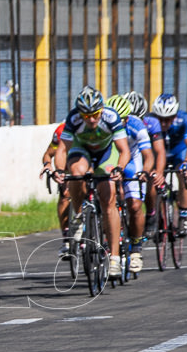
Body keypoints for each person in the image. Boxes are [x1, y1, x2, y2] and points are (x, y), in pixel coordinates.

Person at [52, 86, 130, 279]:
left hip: (105, 153)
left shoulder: (111, 117)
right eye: (87, 116)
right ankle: (77, 216)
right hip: (83, 150)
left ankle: (114, 258)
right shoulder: (74, 119)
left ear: (101, 110)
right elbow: (61, 151)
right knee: (76, 172)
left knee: (108, 197)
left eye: (95, 115)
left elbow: (124, 150)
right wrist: (60, 171)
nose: (92, 119)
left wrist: (119, 168)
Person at [105, 95, 152, 273]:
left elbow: (148, 155)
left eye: (122, 119)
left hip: (132, 160)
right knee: (106, 199)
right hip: (112, 159)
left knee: (134, 206)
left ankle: (136, 249)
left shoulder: (136, 126)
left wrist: (144, 172)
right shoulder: (104, 123)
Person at [148, 93, 187, 237]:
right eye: (160, 119)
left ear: (174, 116)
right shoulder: (149, 120)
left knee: (183, 175)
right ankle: (156, 214)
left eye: (167, 119)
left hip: (177, 152)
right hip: (158, 153)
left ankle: (183, 216)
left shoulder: (184, 118)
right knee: (153, 178)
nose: (163, 123)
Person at [125, 91, 166, 241]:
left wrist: (158, 172)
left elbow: (159, 151)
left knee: (150, 178)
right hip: (129, 155)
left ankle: (151, 213)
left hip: (146, 155)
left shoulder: (151, 123)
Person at [39, 120, 71, 255]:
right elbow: (48, 153)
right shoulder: (61, 131)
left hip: (89, 163)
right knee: (65, 194)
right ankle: (67, 239)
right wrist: (47, 164)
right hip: (68, 167)